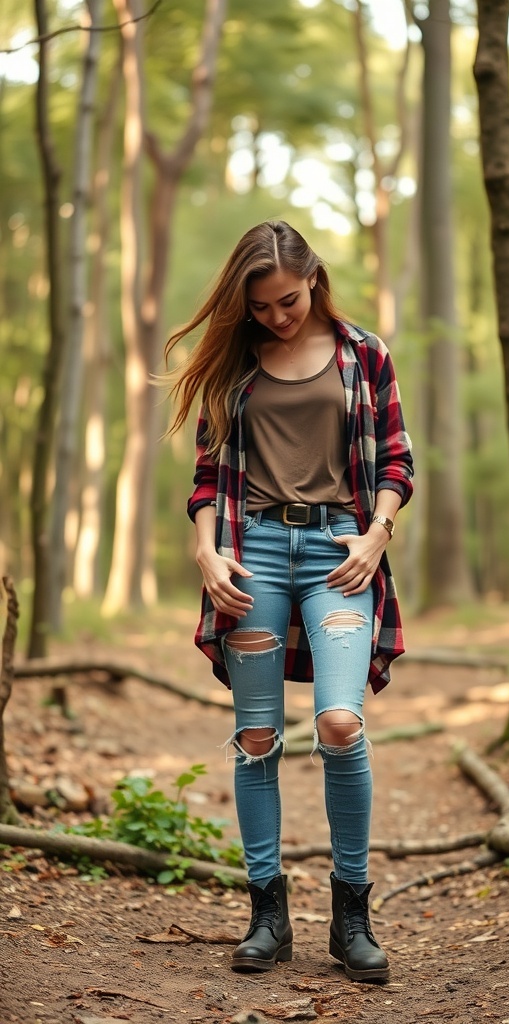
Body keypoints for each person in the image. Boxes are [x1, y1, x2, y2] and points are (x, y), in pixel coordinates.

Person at [166, 220, 413, 983]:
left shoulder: (362, 354)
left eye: (289, 300)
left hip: (340, 551)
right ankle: (266, 913)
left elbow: (397, 460)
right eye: (263, 307)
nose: (278, 317)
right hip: (256, 554)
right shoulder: (235, 369)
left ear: (315, 279)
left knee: (340, 723)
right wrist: (206, 550)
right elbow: (208, 478)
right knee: (257, 737)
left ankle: (351, 914)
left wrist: (375, 536)